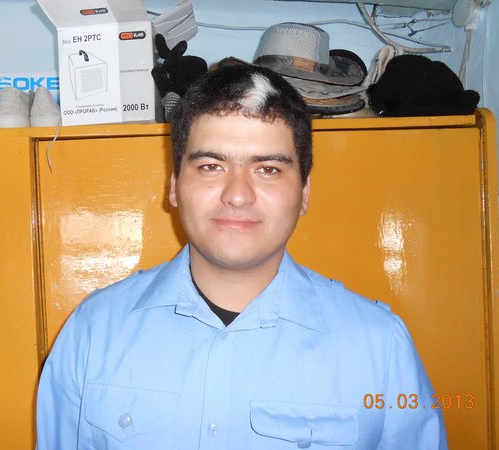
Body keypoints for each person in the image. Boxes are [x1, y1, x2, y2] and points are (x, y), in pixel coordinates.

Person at [36, 64, 447, 449]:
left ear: (304, 193)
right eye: (211, 166)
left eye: (268, 169)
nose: (237, 195)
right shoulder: (94, 332)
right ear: (174, 186)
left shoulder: (380, 346)